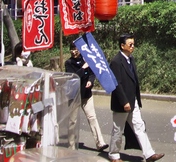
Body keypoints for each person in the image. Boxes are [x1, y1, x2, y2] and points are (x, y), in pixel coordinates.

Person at [109, 34, 164, 162]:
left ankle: (149, 154)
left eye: (133, 44)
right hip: (122, 102)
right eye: (130, 44)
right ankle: (113, 154)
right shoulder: (116, 62)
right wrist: (124, 102)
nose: (133, 46)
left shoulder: (131, 59)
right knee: (118, 129)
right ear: (122, 46)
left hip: (132, 100)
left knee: (139, 126)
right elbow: (117, 84)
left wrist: (135, 100)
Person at [64, 42, 108, 152]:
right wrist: (83, 68)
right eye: (72, 49)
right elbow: (73, 77)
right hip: (74, 95)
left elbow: (93, 73)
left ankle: (100, 143)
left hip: (86, 95)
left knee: (92, 117)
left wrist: (90, 81)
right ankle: (71, 146)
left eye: (76, 49)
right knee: (72, 121)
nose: (74, 51)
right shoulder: (68, 63)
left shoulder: (86, 60)